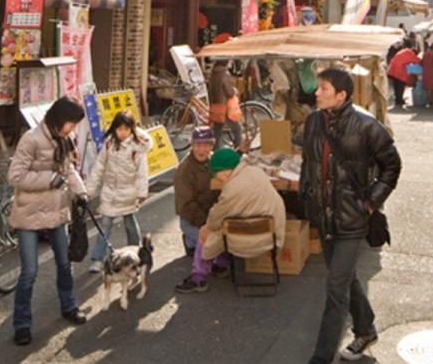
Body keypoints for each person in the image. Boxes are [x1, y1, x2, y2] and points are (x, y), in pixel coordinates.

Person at [301, 67, 401, 364]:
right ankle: (366, 328)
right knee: (345, 279)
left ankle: (321, 358)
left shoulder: (367, 126)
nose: (316, 93)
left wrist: (370, 203)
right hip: (324, 217)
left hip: (352, 219)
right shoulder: (312, 123)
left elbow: (392, 167)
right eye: (317, 87)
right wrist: (307, 193)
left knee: (335, 290)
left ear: (341, 95)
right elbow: (309, 162)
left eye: (323, 89)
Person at [9, 96, 88, 347]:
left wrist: (82, 193)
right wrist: (49, 180)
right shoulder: (30, 139)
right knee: (29, 272)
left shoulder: (65, 140)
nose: (72, 128)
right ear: (58, 118)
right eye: (71, 123)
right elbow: (16, 176)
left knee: (65, 264)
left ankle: (69, 306)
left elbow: (69, 171)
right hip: (28, 213)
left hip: (56, 210)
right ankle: (22, 324)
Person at [176, 147, 286, 294]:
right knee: (228, 223)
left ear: (225, 170)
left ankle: (198, 278)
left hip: (253, 241)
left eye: (217, 174)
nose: (217, 178)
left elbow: (214, 220)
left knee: (205, 231)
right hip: (273, 238)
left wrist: (207, 225)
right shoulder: (256, 172)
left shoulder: (232, 189)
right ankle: (221, 265)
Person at [86, 110, 153, 272]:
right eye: (119, 128)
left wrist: (142, 193)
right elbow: (99, 167)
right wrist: (89, 190)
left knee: (130, 224)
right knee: (105, 226)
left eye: (126, 129)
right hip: (109, 192)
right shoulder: (109, 143)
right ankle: (98, 259)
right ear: (114, 128)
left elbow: (142, 172)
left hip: (128, 193)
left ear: (132, 129)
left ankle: (136, 253)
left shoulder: (137, 148)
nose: (122, 133)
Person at [173, 126, 219, 256]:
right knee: (215, 245)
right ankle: (191, 241)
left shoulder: (212, 159)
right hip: (192, 218)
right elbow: (187, 205)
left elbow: (227, 168)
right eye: (198, 145)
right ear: (192, 145)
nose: (202, 150)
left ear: (211, 146)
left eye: (206, 145)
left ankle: (193, 241)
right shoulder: (184, 170)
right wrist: (207, 225)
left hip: (211, 214)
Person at [208, 60, 242, 149]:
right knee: (237, 129)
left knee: (217, 131)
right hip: (225, 107)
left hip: (216, 106)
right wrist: (234, 90)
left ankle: (217, 151)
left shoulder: (213, 74)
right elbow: (229, 92)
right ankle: (239, 149)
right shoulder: (224, 74)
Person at [386, 40, 420, 108]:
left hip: (392, 70)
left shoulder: (404, 51)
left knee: (396, 86)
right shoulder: (410, 53)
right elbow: (418, 61)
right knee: (400, 86)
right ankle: (399, 101)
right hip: (398, 72)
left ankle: (398, 100)